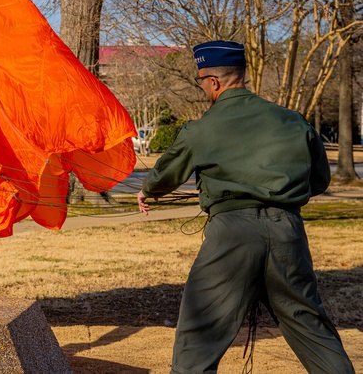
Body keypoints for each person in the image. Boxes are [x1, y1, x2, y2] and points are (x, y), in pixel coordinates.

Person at [137, 40, 354, 374]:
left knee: (201, 330)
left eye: (202, 82)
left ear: (213, 82)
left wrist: (148, 191)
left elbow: (164, 177)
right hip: (288, 233)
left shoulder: (201, 129)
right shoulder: (292, 121)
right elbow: (320, 180)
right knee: (308, 324)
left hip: (232, 234)